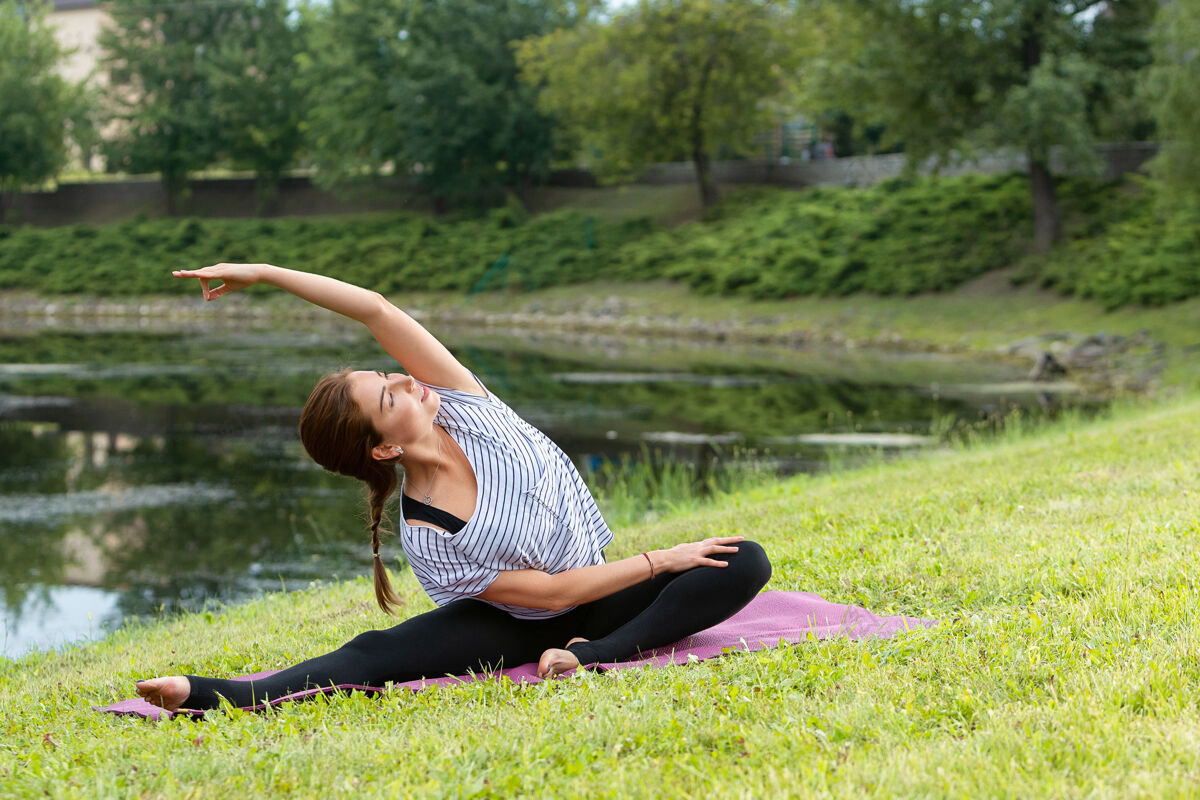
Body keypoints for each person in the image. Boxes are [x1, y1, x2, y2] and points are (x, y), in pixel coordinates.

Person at [135, 263, 772, 712]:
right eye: (392, 395)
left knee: (743, 561)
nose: (410, 381)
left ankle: (596, 653)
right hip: (519, 622)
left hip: (599, 600)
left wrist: (268, 274)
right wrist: (662, 558)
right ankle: (209, 693)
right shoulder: (429, 534)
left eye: (393, 374)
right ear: (384, 447)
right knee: (372, 656)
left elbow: (375, 309)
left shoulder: (464, 401)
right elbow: (550, 598)